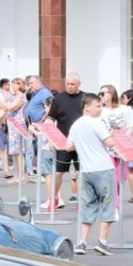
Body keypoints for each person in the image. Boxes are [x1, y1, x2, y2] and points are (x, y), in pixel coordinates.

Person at [66, 92, 118, 255]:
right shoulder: (97, 123)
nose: (100, 108)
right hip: (103, 168)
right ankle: (102, 241)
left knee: (87, 205)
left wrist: (83, 144)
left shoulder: (76, 125)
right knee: (107, 204)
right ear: (87, 107)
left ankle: (82, 242)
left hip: (87, 170)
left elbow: (68, 146)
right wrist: (111, 134)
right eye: (97, 106)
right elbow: (110, 142)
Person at [47, 72, 88, 212]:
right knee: (59, 172)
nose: (70, 87)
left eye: (73, 84)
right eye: (68, 84)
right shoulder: (58, 99)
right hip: (63, 141)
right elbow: (51, 119)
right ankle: (54, 197)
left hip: (82, 142)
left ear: (79, 84)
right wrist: (51, 139)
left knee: (81, 172)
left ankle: (81, 200)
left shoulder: (85, 98)